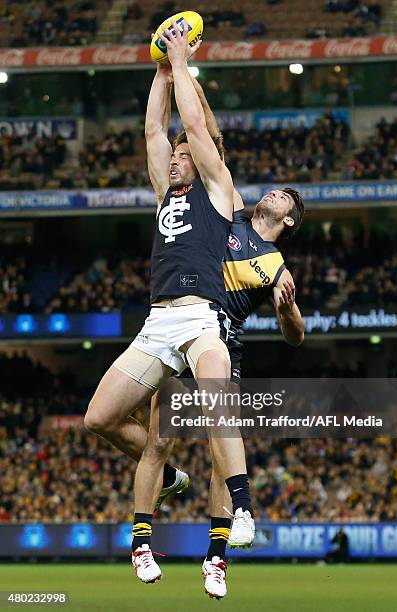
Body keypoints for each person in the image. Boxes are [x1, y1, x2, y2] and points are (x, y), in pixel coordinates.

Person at [84, 19, 255, 585]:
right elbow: (155, 128)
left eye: (186, 154)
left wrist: (181, 64)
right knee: (100, 418)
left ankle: (242, 509)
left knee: (216, 401)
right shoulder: (167, 191)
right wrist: (159, 69)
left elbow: (193, 129)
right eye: (176, 155)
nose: (177, 156)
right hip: (158, 322)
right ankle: (174, 477)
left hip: (201, 317)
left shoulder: (218, 188)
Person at [131, 79, 305, 596]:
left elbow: (296, 336)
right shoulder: (223, 204)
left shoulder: (273, 263)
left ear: (289, 218)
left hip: (218, 336)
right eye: (274, 189)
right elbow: (206, 133)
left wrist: (289, 309)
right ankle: (165, 492)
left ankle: (217, 555)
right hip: (179, 320)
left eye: (285, 196)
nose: (273, 192)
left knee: (217, 443)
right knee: (158, 439)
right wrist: (193, 83)